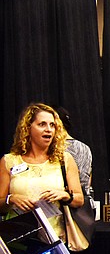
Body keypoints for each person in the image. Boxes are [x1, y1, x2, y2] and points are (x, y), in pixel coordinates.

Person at [0, 103, 85, 244]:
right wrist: (11, 198)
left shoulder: (64, 159)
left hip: (56, 239)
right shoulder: (9, 161)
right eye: (42, 124)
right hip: (18, 242)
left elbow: (79, 199)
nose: (49, 130)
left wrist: (65, 195)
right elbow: (1, 203)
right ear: (28, 128)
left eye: (52, 125)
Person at [54, 107, 93, 197]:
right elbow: (88, 180)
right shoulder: (85, 148)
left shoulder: (56, 149)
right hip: (86, 205)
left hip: (66, 204)